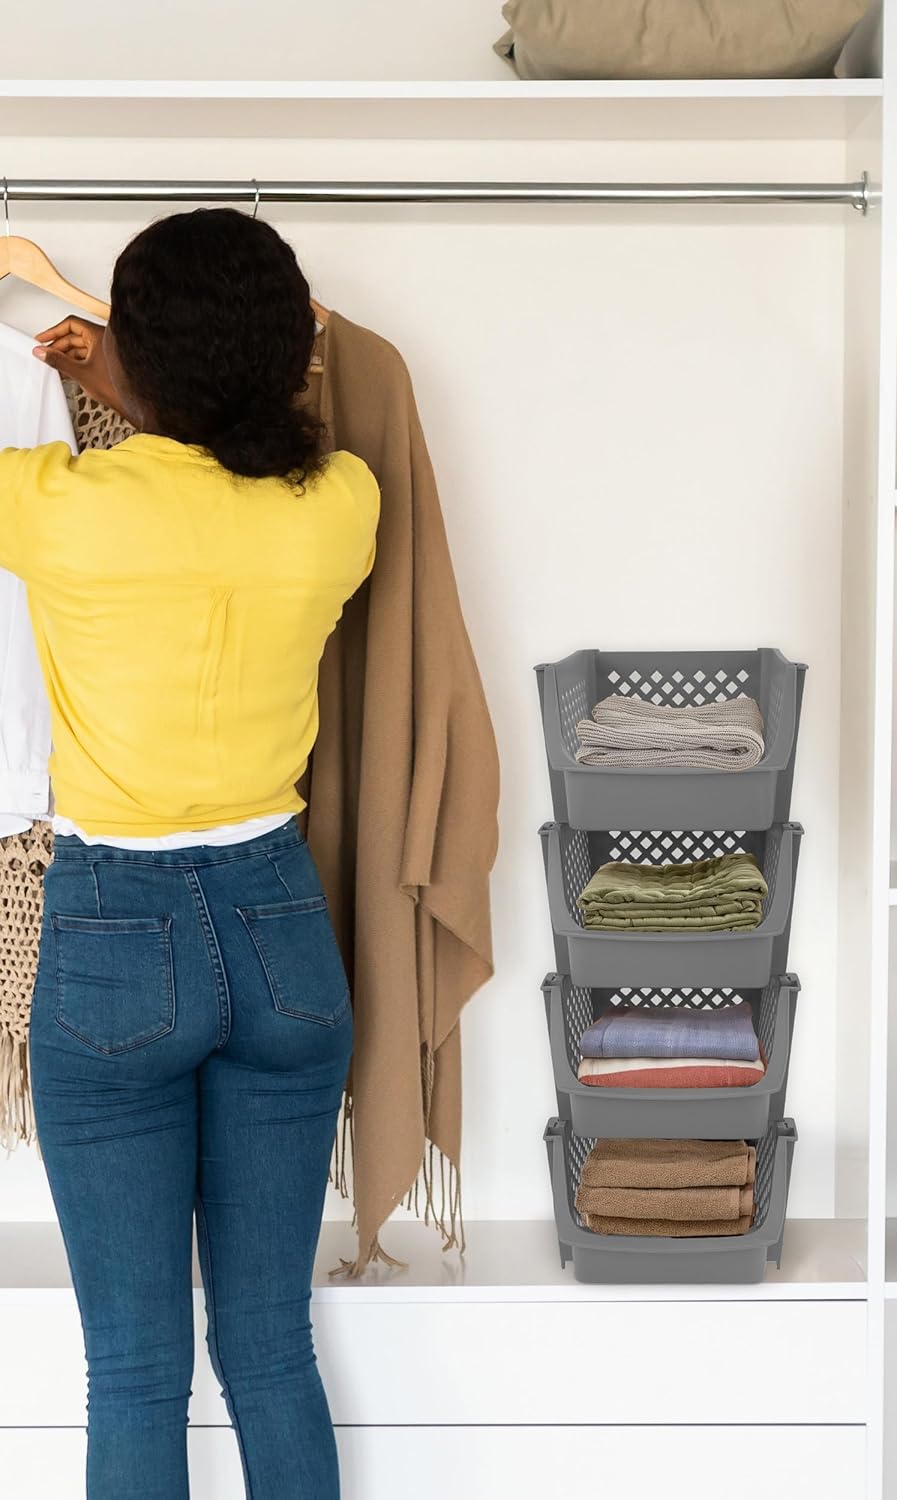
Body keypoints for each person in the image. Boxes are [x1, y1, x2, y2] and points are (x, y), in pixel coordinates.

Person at [2, 207, 379, 1500]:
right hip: (279, 927)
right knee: (272, 1349)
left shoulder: (59, 507)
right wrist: (151, 361)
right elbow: (260, 397)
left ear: (138, 358)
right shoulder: (341, 503)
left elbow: (161, 438)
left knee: (135, 1369)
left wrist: (95, 362)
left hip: (119, 933)